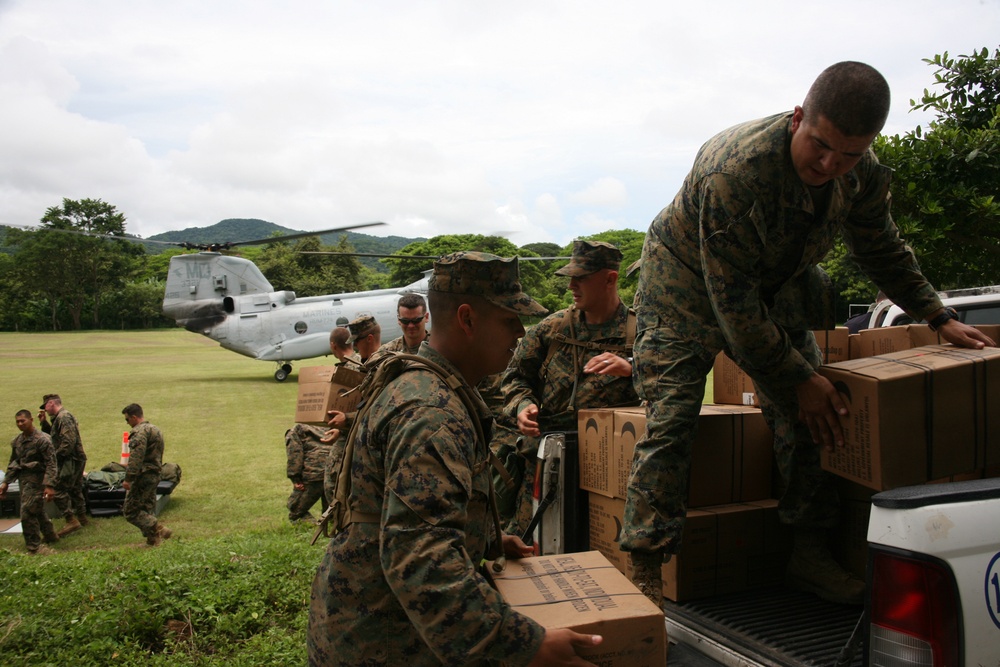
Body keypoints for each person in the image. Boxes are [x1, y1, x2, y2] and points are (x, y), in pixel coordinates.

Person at [622, 61, 996, 607]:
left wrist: (938, 316)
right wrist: (799, 376)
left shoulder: (861, 173)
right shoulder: (735, 170)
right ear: (799, 117)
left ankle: (808, 552)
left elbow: (881, 249)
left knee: (817, 413)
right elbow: (733, 304)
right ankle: (646, 567)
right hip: (684, 287)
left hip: (771, 287)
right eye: (820, 146)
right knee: (674, 417)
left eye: (847, 154)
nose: (829, 164)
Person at [308, 251, 602, 666]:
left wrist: (481, 536)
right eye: (508, 318)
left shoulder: (428, 385)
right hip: (385, 642)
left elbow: (399, 512)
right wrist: (523, 646)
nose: (521, 331)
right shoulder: (432, 413)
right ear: (467, 319)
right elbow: (421, 559)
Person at [500, 239, 640, 535]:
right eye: (570, 278)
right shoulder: (553, 328)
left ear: (610, 279)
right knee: (531, 543)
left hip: (609, 466)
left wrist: (634, 370)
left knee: (602, 545)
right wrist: (522, 406)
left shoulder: (639, 333)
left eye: (581, 278)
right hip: (546, 460)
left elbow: (670, 383)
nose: (571, 286)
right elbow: (514, 376)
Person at [0, 410, 59, 555]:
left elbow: (51, 464)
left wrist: (50, 486)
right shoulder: (17, 441)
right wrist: (6, 482)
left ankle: (34, 547)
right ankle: (50, 536)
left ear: (31, 420)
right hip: (24, 480)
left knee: (27, 512)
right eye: (17, 421)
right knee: (36, 509)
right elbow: (14, 462)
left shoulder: (43, 440)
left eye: (23, 421)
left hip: (39, 480)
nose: (20, 424)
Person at [37, 394, 88, 537]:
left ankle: (71, 520)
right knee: (75, 489)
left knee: (58, 489)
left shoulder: (64, 417)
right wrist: (44, 423)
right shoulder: (60, 418)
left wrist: (55, 458)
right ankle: (83, 518)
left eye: (45, 406)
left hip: (70, 460)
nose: (45, 410)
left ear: (51, 403)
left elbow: (68, 442)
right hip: (75, 458)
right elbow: (55, 436)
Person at [121, 403, 172, 547]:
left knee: (130, 511)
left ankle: (158, 528)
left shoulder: (139, 432)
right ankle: (153, 541)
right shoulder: (155, 429)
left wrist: (128, 478)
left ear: (134, 417)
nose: (127, 423)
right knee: (147, 509)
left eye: (127, 420)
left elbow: (136, 458)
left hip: (143, 476)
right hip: (155, 474)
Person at [285, 423, 331, 523]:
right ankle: (330, 529)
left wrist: (295, 478)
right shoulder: (336, 426)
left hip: (313, 473)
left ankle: (312, 528)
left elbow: (295, 454)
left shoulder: (298, 429)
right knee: (332, 511)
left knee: (295, 509)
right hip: (335, 472)